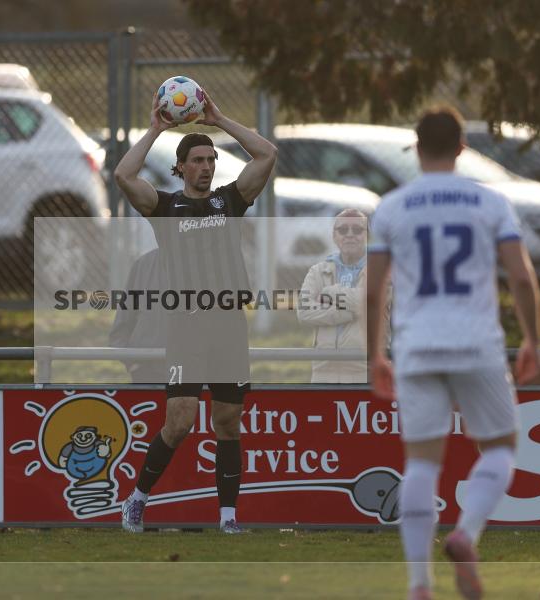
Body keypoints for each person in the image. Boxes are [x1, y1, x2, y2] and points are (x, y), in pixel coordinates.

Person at [366, 107, 540, 600]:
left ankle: (420, 585)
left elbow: (373, 291)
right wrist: (532, 339)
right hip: (477, 343)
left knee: (422, 463)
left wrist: (374, 357)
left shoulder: (393, 207)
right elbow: (522, 278)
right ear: (463, 148)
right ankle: (466, 533)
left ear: (417, 149)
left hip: (417, 346)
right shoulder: (490, 203)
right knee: (502, 447)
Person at [113, 90, 277, 533]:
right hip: (186, 325)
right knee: (180, 420)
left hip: (228, 324)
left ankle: (227, 518)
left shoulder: (230, 201)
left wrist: (220, 120)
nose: (206, 166)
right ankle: (137, 500)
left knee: (228, 422)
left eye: (210, 160)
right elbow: (124, 174)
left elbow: (267, 153)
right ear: (181, 167)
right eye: (197, 160)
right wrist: (156, 129)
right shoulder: (165, 208)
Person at [297, 208, 370, 383]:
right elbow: (304, 312)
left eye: (357, 230)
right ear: (334, 236)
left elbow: (368, 302)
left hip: (366, 371)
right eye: (343, 230)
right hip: (323, 370)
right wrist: (349, 312)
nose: (350, 234)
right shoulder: (317, 271)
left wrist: (330, 292)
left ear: (367, 235)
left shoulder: (380, 269)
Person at [108, 248, 168, 384]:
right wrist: (134, 364)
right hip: (149, 374)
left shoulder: (210, 265)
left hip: (197, 375)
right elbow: (120, 329)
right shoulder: (144, 265)